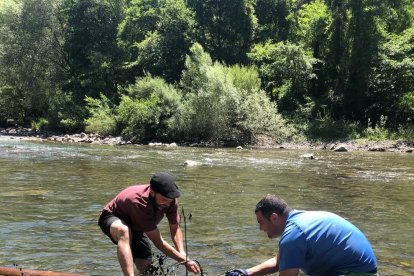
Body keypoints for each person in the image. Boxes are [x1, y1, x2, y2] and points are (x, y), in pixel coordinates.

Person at [226, 194, 378, 276]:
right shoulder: (298, 222)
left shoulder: (294, 234)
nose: (260, 228)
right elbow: (279, 263)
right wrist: (246, 273)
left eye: (261, 222)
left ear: (273, 217)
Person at [98, 172, 201, 275]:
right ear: (152, 192)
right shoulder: (139, 202)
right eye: (165, 199)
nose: (168, 203)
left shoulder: (170, 199)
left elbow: (175, 228)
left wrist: (182, 254)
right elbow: (158, 242)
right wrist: (183, 260)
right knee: (124, 231)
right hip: (112, 218)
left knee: (146, 269)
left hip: (136, 226)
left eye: (170, 200)